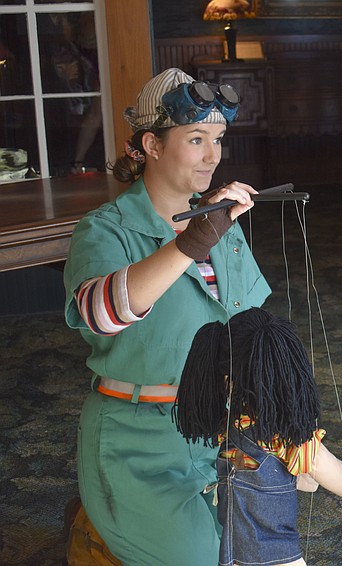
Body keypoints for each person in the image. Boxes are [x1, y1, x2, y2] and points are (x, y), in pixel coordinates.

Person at [63, 67, 272, 565]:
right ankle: (102, 519)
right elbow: (100, 313)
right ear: (152, 146)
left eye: (218, 139)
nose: (213, 156)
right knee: (199, 557)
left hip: (217, 425)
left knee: (257, 547)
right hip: (138, 437)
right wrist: (195, 239)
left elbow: (248, 326)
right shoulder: (105, 229)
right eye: (196, 138)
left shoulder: (219, 223)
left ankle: (104, 528)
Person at [176, 308, 342, 566]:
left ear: (226, 379)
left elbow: (251, 472)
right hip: (276, 556)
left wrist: (294, 477)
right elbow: (330, 471)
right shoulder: (285, 440)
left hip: (233, 554)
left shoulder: (229, 431)